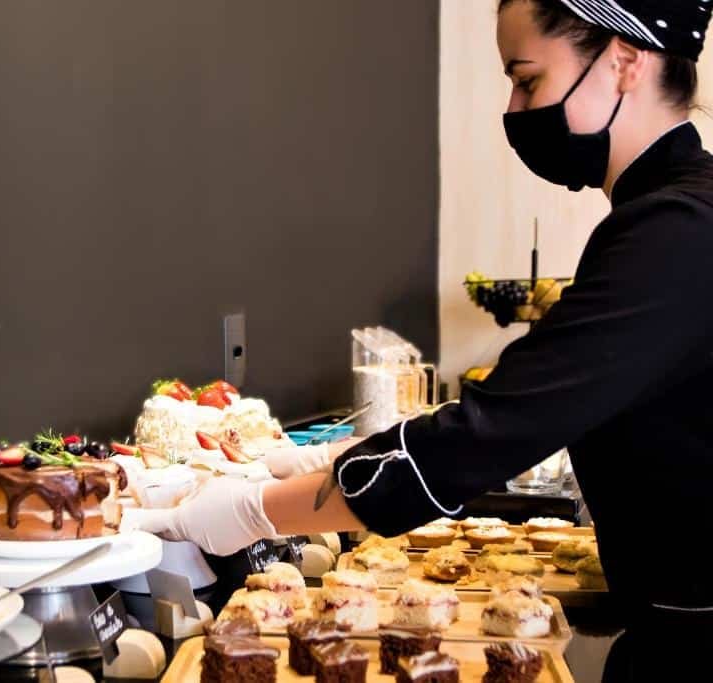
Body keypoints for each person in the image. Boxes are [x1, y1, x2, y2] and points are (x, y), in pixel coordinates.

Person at [139, 1, 713, 677]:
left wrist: (250, 511)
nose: (515, 107)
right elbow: (537, 398)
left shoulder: (676, 231)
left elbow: (493, 431)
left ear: (624, 61)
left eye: (527, 79)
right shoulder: (674, 214)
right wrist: (339, 456)